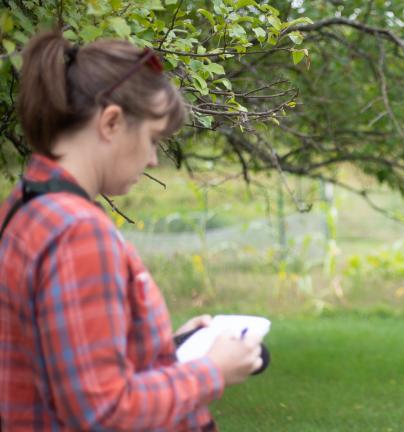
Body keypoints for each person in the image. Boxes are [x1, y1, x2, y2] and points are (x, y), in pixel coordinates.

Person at [0, 31, 263, 431]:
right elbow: (103, 411)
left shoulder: (23, 208)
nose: (154, 159)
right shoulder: (78, 232)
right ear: (111, 122)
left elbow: (66, 362)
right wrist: (211, 370)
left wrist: (167, 351)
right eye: (153, 138)